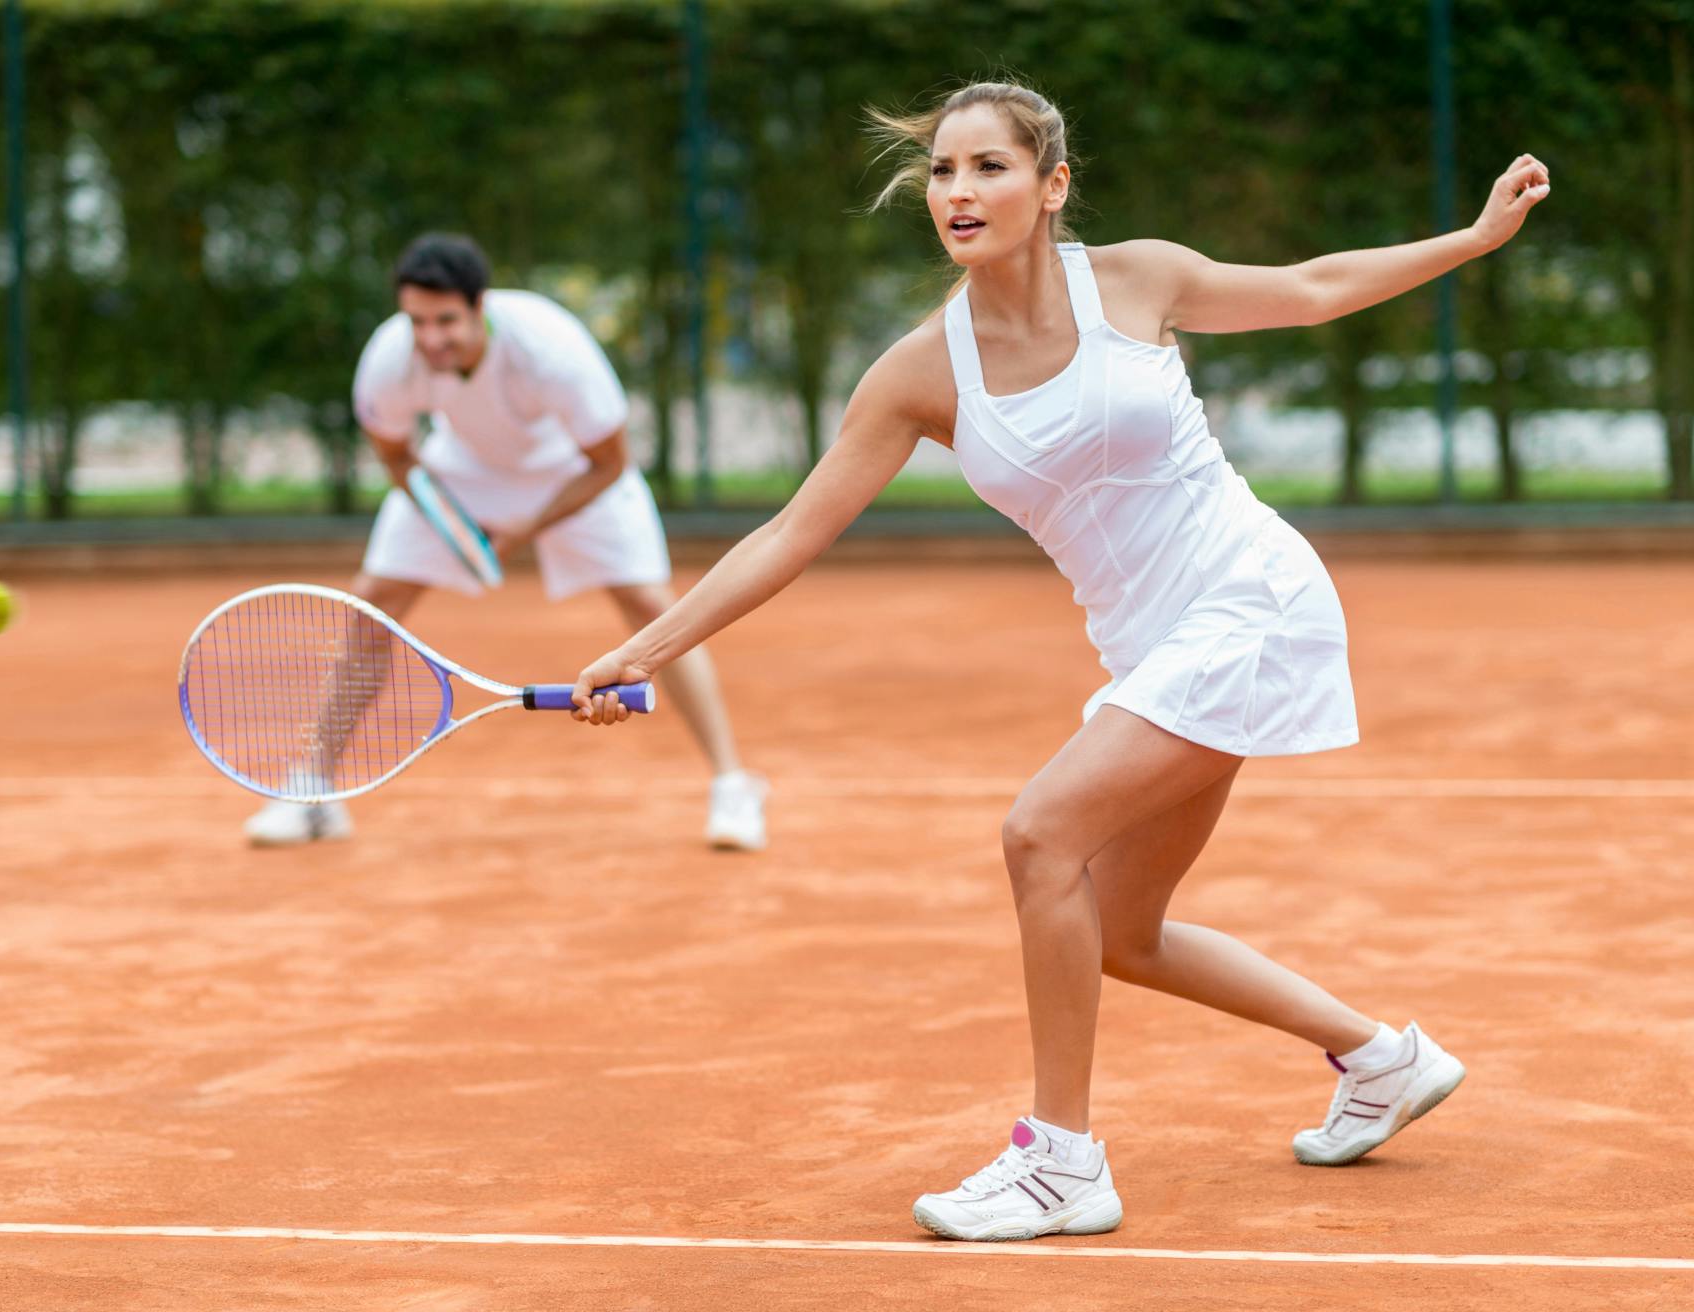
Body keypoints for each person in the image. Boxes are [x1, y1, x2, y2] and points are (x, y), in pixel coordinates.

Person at [566, 80, 1551, 1240]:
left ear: (1052, 184)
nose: (959, 191)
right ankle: (1380, 1056)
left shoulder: (1135, 278)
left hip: (1251, 598)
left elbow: (1314, 287)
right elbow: (791, 532)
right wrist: (642, 645)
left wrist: (1479, 238)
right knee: (1123, 930)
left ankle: (1061, 1160)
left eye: (988, 167)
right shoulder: (921, 372)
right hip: (1153, 647)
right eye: (942, 171)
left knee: (1040, 834)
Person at [245, 233, 769, 851]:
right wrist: (452, 525)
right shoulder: (390, 358)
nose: (432, 338)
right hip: (461, 472)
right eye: (418, 321)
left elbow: (608, 463)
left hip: (573, 474)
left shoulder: (550, 349)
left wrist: (524, 529)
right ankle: (313, 794)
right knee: (370, 605)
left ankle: (733, 786)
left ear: (480, 306)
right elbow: (396, 457)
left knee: (653, 609)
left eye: (447, 321)